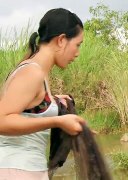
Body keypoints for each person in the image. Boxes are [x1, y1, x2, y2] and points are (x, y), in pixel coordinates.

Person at [0, 8, 85, 180]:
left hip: (25, 170)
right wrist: (57, 120)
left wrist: (53, 102)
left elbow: (30, 108)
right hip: (16, 170)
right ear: (61, 40)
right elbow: (2, 120)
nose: (77, 53)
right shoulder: (33, 72)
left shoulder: (36, 71)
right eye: (77, 45)